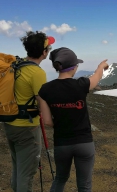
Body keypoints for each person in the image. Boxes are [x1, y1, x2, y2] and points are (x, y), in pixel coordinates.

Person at [38, 47, 109, 192]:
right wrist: (101, 66)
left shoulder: (45, 90)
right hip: (84, 143)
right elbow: (96, 77)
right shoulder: (81, 84)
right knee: (84, 185)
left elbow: (47, 121)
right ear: (74, 67)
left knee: (60, 178)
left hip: (62, 143)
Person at [4, 31, 55, 192]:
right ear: (43, 52)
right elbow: (42, 104)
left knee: (18, 167)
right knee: (27, 173)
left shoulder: (17, 65)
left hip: (10, 123)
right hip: (27, 127)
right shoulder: (37, 73)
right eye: (48, 48)